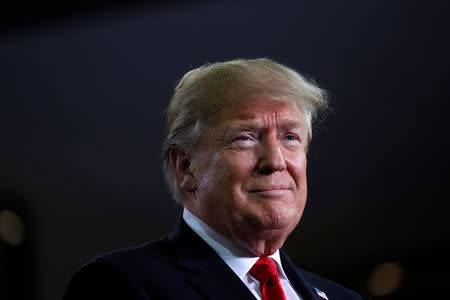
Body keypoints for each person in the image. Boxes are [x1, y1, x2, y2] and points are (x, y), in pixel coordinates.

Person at [63, 58, 368, 300]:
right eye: (245, 138)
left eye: (290, 138)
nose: (275, 161)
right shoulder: (119, 285)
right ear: (186, 167)